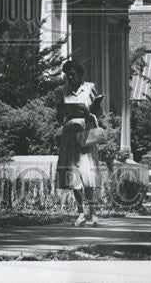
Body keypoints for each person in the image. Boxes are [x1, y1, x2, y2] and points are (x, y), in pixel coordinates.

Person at [55, 59, 103, 226]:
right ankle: (81, 212)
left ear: (79, 75)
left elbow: (99, 112)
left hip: (86, 134)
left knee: (88, 173)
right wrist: (62, 112)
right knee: (72, 174)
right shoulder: (62, 91)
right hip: (69, 135)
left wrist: (92, 112)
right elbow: (58, 116)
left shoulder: (89, 88)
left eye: (73, 74)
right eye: (67, 75)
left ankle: (93, 213)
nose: (70, 77)